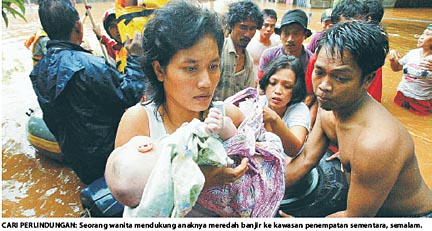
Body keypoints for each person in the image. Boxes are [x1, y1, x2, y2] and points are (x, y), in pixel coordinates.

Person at [106, 0, 249, 212]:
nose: (206, 82)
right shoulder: (139, 124)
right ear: (159, 71)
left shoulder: (229, 116)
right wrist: (203, 180)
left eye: (213, 66)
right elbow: (135, 205)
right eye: (191, 68)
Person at [282, 21, 432, 217]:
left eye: (340, 78)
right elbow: (304, 160)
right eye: (319, 72)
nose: (324, 86)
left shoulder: (376, 144)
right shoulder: (329, 108)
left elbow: (354, 220)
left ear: (368, 79)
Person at [29, 0, 146, 185]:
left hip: (78, 161)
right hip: (108, 156)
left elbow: (53, 121)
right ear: (78, 26)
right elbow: (131, 94)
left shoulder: (39, 71)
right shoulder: (90, 65)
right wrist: (135, 58)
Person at [258, 55, 310, 157]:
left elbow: (294, 149)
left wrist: (274, 119)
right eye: (273, 83)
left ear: (296, 89)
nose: (278, 91)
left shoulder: (299, 110)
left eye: (287, 87)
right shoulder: (257, 103)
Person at [213, 0, 263, 101]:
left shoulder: (249, 62)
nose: (247, 34)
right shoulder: (218, 50)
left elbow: (248, 96)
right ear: (232, 25)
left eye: (252, 28)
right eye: (243, 27)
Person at [388, 23, 432, 115]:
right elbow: (396, 68)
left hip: (421, 101)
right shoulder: (413, 53)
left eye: (427, 34)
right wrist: (393, 60)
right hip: (402, 95)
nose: (421, 37)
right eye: (423, 33)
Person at [258, 9, 313, 81]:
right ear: (280, 35)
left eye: (296, 33)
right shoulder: (269, 56)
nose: (290, 39)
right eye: (286, 33)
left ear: (305, 35)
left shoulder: (311, 61)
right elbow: (261, 85)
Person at [246, 8, 279, 80]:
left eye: (272, 26)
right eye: (266, 25)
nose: (269, 29)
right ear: (259, 25)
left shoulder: (275, 44)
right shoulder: (249, 43)